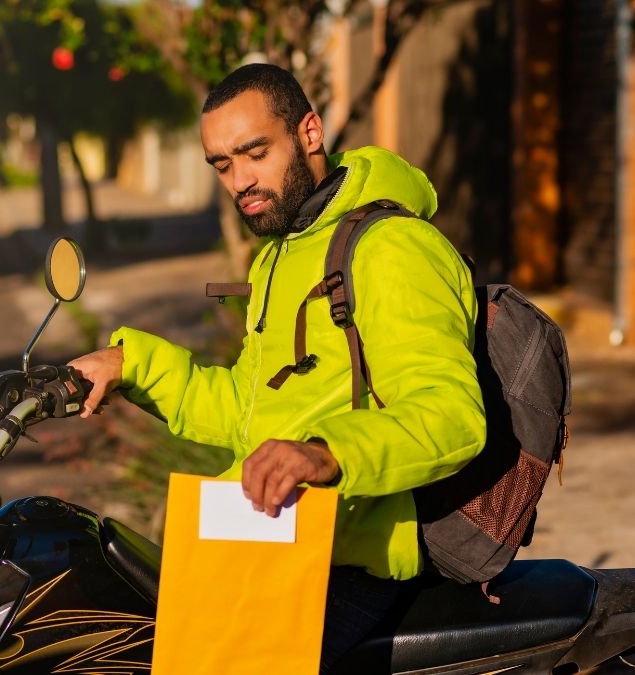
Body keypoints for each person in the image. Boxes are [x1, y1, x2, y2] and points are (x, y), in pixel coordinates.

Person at [69, 63, 486, 672]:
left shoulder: (391, 247)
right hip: (271, 541)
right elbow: (247, 411)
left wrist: (322, 452)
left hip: (343, 561)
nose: (240, 180)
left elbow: (451, 415)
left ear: (310, 133)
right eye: (221, 164)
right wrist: (133, 364)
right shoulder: (283, 252)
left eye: (254, 152)